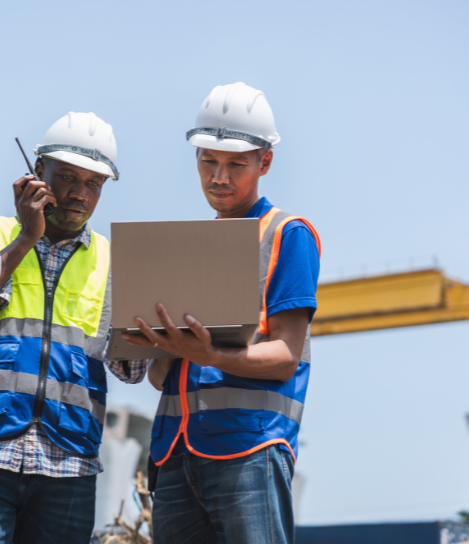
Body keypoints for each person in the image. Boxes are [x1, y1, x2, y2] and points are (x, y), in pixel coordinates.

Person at [0, 112, 148, 544]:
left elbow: (131, 371)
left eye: (94, 184)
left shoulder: (114, 261)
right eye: (67, 177)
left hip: (67, 468)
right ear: (37, 174)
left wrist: (155, 323)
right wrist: (25, 240)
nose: (79, 194)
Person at [123, 83, 321, 544]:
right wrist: (166, 346)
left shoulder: (287, 235)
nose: (219, 176)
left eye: (235, 164)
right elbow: (159, 380)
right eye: (208, 160)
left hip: (249, 449)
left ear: (264, 162)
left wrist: (210, 355)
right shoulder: (187, 249)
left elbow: (286, 356)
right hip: (175, 454)